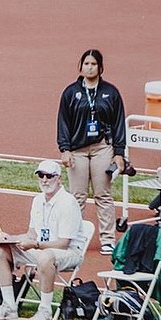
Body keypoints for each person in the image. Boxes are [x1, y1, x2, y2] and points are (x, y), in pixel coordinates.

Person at [0, 160, 85, 320]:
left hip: (69, 252)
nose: (44, 180)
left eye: (49, 176)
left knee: (46, 257)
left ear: (59, 178)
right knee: (0, 251)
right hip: (41, 250)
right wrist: (10, 238)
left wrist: (36, 245)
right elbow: (31, 234)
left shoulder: (68, 203)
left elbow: (64, 243)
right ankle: (9, 306)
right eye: (41, 176)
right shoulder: (37, 200)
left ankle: (45, 311)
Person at [56, 48, 127, 256]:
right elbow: (63, 122)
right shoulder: (71, 92)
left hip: (102, 148)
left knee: (102, 194)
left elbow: (118, 123)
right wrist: (65, 149)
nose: (89, 67)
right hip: (77, 150)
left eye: (93, 64)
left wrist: (119, 152)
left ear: (100, 67)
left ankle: (107, 239)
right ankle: (74, 238)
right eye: (86, 63)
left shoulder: (111, 92)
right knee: (77, 196)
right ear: (81, 66)